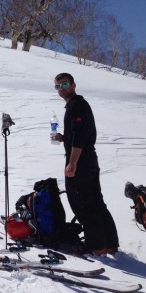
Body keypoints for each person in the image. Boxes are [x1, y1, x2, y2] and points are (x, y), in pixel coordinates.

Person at [53, 72, 119, 255]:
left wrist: (72, 163)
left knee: (82, 202)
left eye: (64, 85)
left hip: (81, 161)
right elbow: (79, 133)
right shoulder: (77, 105)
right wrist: (64, 138)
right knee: (96, 201)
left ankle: (96, 245)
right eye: (58, 86)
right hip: (89, 159)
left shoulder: (76, 105)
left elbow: (81, 137)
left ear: (74, 85)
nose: (61, 89)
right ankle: (110, 243)